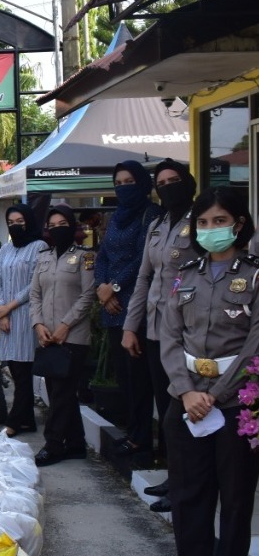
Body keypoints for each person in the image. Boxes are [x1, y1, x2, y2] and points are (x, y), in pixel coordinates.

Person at [158, 187, 259, 556]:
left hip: (235, 405)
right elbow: (169, 337)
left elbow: (255, 343)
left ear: (238, 224)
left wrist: (215, 393)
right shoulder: (185, 275)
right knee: (188, 501)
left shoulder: (255, 276)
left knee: (234, 503)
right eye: (203, 222)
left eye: (220, 221)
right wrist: (185, 392)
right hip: (188, 405)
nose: (210, 230)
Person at [123, 159, 198, 512]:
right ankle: (174, 475)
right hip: (155, 330)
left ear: (188, 182)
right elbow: (143, 279)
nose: (168, 186)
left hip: (190, 333)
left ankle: (190, 482)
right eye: (162, 182)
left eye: (174, 180)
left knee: (184, 411)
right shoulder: (157, 225)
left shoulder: (202, 221)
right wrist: (129, 326)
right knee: (166, 406)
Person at [94, 161, 160, 456]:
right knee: (124, 377)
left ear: (144, 184)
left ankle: (143, 438)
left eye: (129, 181)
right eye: (118, 182)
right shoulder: (116, 217)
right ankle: (132, 432)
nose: (123, 187)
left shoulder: (151, 215)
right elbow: (102, 256)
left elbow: (143, 259)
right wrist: (101, 289)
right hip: (112, 307)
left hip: (137, 305)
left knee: (140, 378)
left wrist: (114, 287)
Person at [30, 205, 96, 467]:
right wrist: (38, 324)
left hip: (73, 337)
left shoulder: (85, 256)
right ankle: (77, 444)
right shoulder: (43, 257)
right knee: (58, 391)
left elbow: (88, 295)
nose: (58, 229)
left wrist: (65, 325)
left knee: (61, 393)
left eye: (62, 224)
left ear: (72, 225)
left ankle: (53, 444)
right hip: (47, 335)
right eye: (53, 225)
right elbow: (35, 294)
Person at [0, 204, 43, 436]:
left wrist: (9, 308)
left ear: (29, 221)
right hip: (5, 317)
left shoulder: (39, 247)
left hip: (24, 315)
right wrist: (0, 310)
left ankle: (14, 422)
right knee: (14, 370)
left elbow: (34, 283)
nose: (15, 225)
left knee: (23, 373)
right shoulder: (5, 250)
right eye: (11, 222)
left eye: (20, 221)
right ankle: (27, 421)